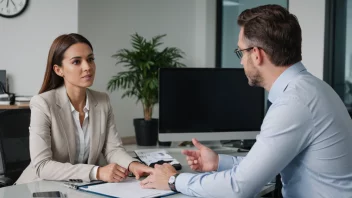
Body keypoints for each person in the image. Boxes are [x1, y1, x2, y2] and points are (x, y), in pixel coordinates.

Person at [140, 4, 352, 198]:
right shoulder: (312, 88)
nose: (241, 60)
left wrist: (173, 180)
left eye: (240, 52)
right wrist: (218, 162)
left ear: (257, 54)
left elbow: (239, 188)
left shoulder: (293, 103)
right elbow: (268, 168)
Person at [16, 33, 152, 184]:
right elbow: (42, 166)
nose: (87, 67)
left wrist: (133, 165)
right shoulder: (42, 103)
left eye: (90, 59)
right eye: (76, 62)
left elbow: (112, 149)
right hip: (41, 187)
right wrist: (97, 172)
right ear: (58, 70)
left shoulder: (102, 101)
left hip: (81, 187)